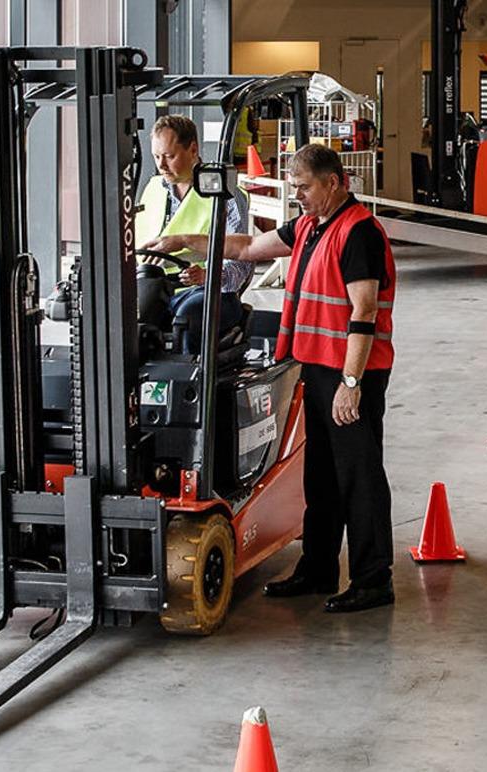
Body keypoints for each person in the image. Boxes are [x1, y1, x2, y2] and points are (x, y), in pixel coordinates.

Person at [146, 143, 397, 613]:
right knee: (320, 476)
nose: (298, 195)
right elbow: (245, 247)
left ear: (335, 183)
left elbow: (363, 311)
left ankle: (373, 578)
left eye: (304, 187)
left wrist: (351, 383)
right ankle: (318, 567)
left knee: (357, 477)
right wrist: (183, 241)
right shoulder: (309, 226)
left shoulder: (358, 232)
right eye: (295, 187)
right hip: (315, 369)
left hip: (349, 375)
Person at [135, 114, 252, 353]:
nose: (161, 165)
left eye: (169, 156)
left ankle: (190, 387)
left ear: (193, 149)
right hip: (154, 288)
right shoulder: (153, 190)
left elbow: (241, 263)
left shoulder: (225, 195)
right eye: (157, 156)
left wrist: (207, 275)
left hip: (210, 291)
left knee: (186, 319)